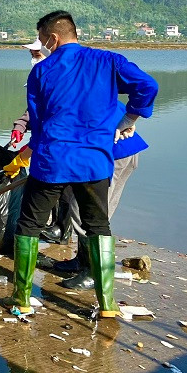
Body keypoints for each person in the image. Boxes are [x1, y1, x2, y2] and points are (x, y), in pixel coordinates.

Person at [9, 10, 158, 317]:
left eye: (41, 39)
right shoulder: (109, 62)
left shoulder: (41, 71)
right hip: (94, 162)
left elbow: (37, 119)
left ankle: (22, 299)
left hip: (53, 160)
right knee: (97, 226)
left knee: (29, 225)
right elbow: (147, 85)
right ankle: (107, 305)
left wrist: (31, 149)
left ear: (53, 37)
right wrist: (130, 117)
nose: (42, 46)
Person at [51, 101, 149, 289]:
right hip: (121, 150)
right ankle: (83, 260)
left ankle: (93, 272)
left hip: (114, 154)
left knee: (86, 211)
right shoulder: (82, 84)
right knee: (95, 209)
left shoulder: (64, 95)